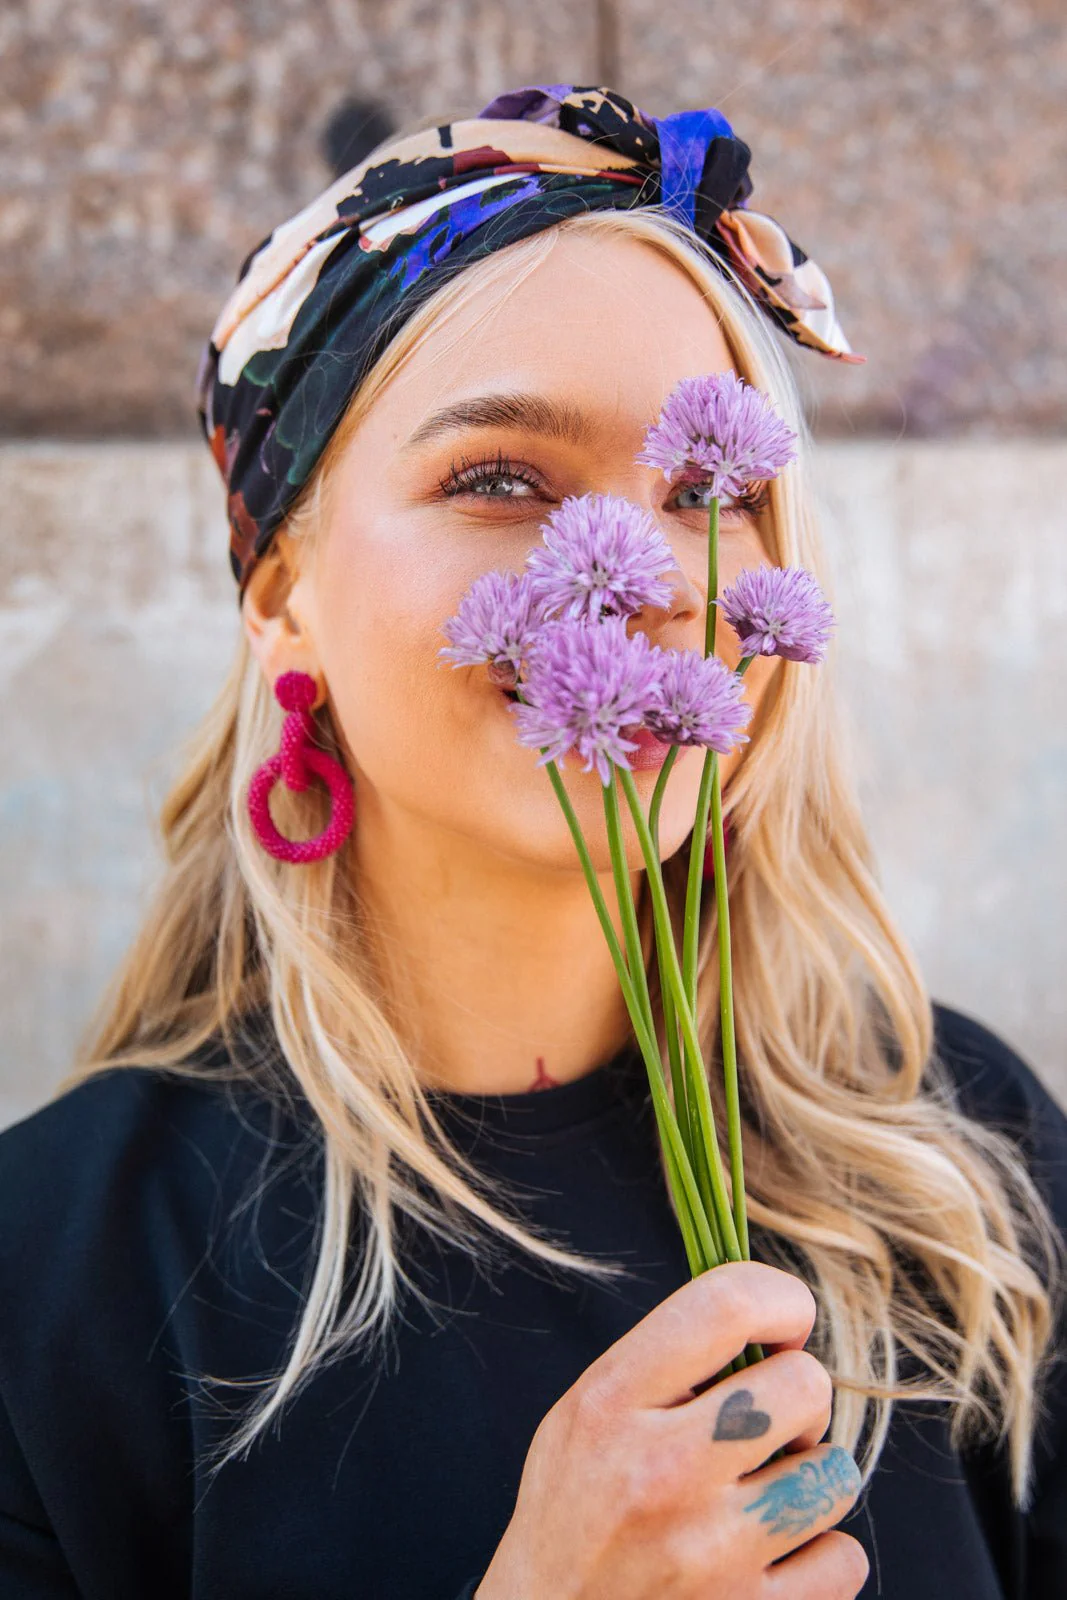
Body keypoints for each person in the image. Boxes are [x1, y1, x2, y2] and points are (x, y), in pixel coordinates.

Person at [0, 83, 1063, 1600]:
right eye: (499, 478)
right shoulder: (49, 1288)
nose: (638, 572)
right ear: (276, 590)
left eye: (710, 487)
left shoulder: (967, 1165)